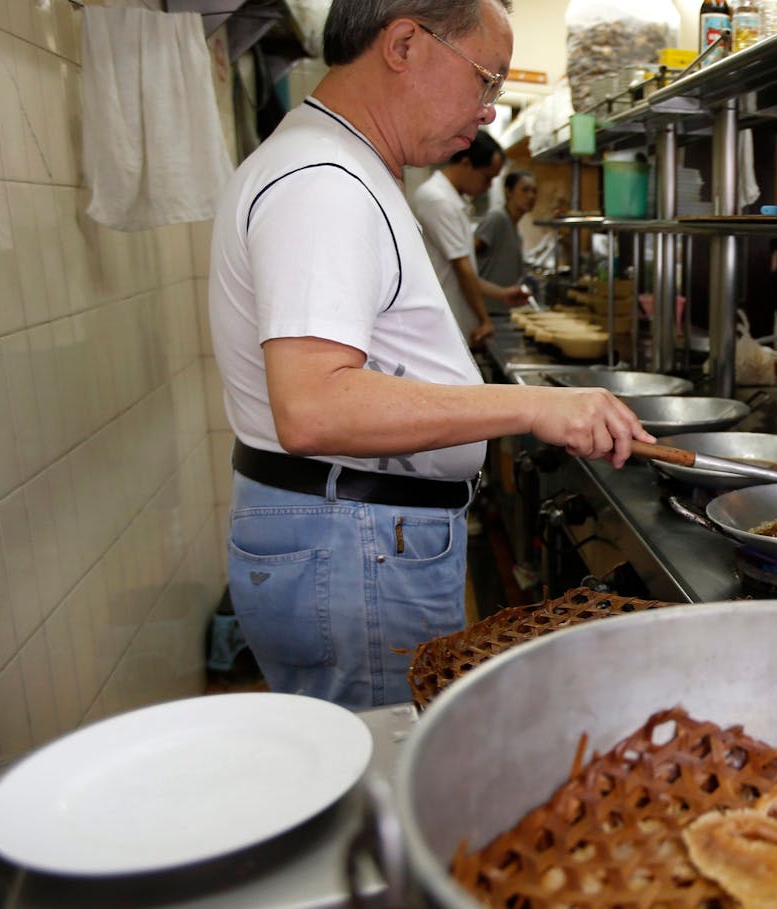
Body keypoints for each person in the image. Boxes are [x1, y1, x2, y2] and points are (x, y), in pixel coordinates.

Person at [207, 0, 653, 708]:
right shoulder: (324, 182)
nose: (487, 112)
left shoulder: (339, 165)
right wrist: (536, 405)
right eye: (485, 79)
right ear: (405, 44)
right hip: (355, 544)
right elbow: (314, 405)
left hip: (354, 534)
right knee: (382, 778)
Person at [410, 130, 520, 345]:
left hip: (452, 321)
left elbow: (462, 269)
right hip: (441, 323)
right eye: (487, 177)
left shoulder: (452, 200)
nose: (488, 186)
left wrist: (501, 293)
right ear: (466, 163)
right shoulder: (436, 199)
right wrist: (485, 320)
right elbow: (462, 269)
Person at [473, 169, 536, 308]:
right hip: (486, 311)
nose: (531, 196)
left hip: (502, 310)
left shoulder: (516, 231)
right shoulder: (497, 219)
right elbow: (468, 256)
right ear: (508, 191)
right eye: (525, 190)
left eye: (534, 191)